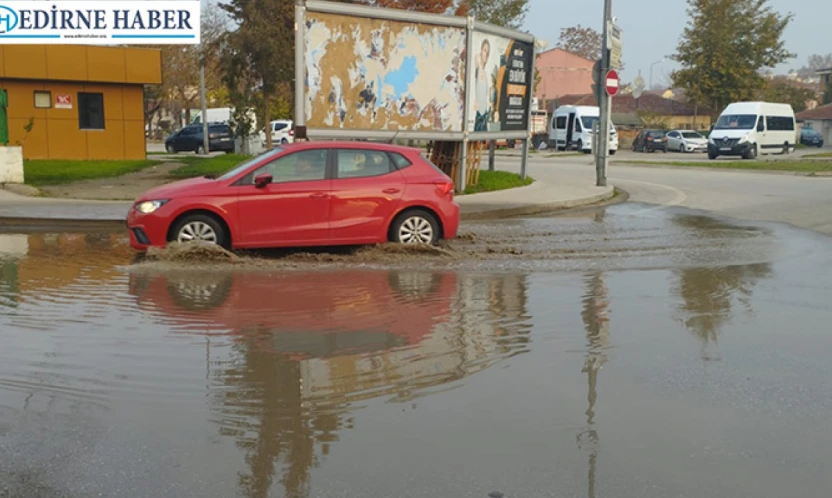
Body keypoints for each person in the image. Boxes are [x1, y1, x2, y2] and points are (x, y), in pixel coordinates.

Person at [474, 39, 491, 132]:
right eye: (484, 50)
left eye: (487, 52)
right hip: (478, 113)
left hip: (484, 114)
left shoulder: (485, 73)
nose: (486, 54)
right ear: (480, 50)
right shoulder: (478, 68)